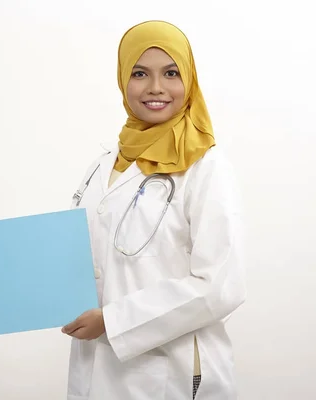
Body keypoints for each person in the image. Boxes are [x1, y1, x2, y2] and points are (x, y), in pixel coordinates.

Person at [61, 21, 246, 400]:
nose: (156, 88)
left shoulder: (205, 166)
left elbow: (220, 287)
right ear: (122, 79)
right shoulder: (105, 164)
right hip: (97, 367)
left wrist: (114, 322)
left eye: (171, 73)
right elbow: (75, 256)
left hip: (168, 373)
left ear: (189, 80)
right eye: (140, 73)